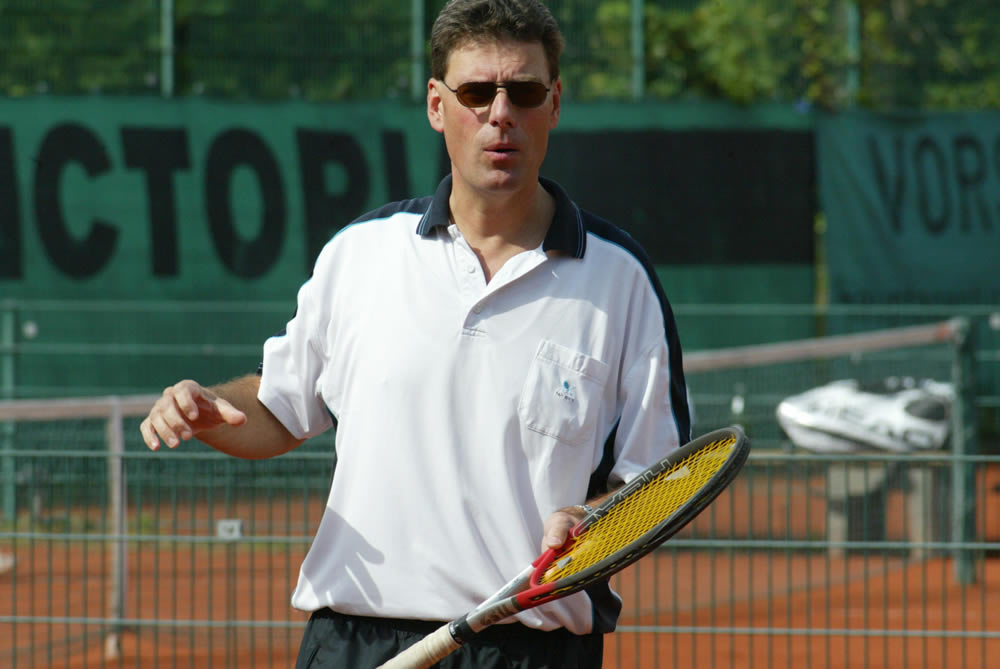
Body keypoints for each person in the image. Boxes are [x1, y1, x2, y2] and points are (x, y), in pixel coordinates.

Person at [140, 0, 691, 666]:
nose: (500, 113)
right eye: (475, 93)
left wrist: (593, 523)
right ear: (436, 104)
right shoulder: (360, 253)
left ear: (554, 103)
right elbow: (278, 409)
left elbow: (659, 481)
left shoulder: (621, 278)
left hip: (531, 651)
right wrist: (207, 409)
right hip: (355, 641)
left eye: (523, 92)